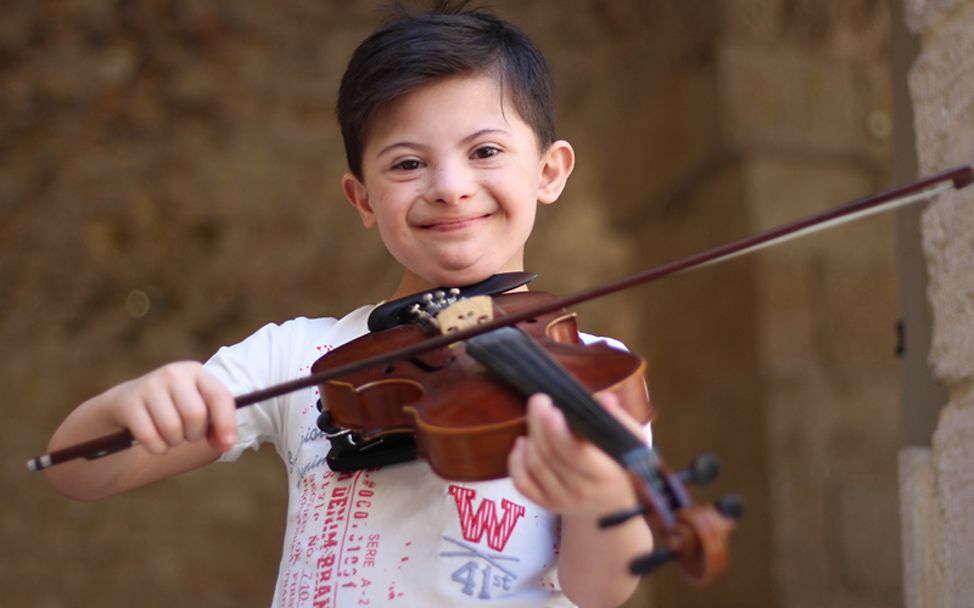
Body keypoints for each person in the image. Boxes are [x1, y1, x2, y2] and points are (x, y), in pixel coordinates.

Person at [43, 3, 654, 606]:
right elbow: (76, 472)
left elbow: (600, 589)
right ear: (362, 200)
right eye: (409, 164)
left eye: (485, 152)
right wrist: (127, 405)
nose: (450, 187)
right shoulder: (303, 358)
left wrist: (604, 498)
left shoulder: (590, 368)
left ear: (550, 171)